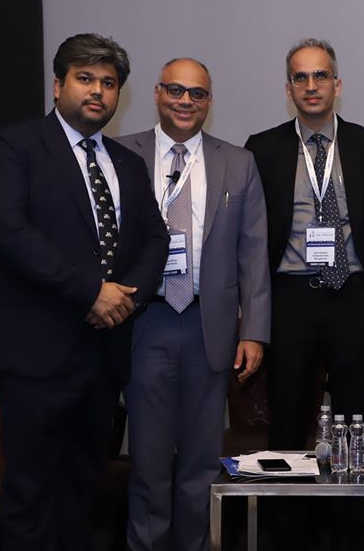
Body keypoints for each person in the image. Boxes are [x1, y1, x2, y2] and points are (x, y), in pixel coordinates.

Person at [0, 33, 169, 550]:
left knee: (84, 494)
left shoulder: (127, 162)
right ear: (58, 85)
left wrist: (124, 299)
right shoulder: (15, 146)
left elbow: (155, 238)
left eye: (109, 82)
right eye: (85, 79)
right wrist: (91, 293)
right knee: (31, 496)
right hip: (35, 353)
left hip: (102, 355)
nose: (98, 91)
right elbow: (10, 231)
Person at [116, 58, 270, 551]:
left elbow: (253, 252)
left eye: (197, 93)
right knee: (148, 460)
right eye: (176, 90)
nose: (186, 101)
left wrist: (254, 331)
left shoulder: (238, 163)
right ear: (157, 94)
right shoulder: (122, 154)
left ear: (209, 101)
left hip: (210, 325)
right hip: (144, 321)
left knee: (203, 463)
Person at [244, 38, 364, 450]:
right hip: (289, 301)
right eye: (300, 77)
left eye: (320, 75)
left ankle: (351, 495)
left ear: (337, 84)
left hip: (354, 298)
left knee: (355, 424)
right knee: (288, 421)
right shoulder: (261, 149)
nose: (311, 86)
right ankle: (290, 496)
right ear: (288, 89)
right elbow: (249, 235)